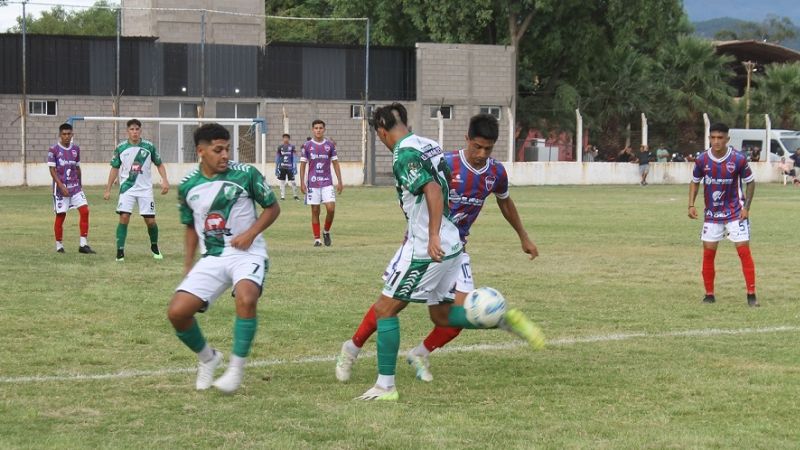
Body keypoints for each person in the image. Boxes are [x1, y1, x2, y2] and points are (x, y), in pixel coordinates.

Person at [343, 103, 544, 401]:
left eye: (488, 149)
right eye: (478, 146)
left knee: (387, 308)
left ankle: (384, 384)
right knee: (441, 315)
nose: (482, 153)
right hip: (450, 243)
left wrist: (432, 233)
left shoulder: (404, 155)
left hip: (430, 245)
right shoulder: (431, 146)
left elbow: (434, 191)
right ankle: (497, 319)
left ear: (381, 132)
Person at [166, 123, 280, 394]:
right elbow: (191, 226)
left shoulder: (246, 175)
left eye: (227, 149)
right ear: (201, 151)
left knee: (247, 297)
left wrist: (251, 234)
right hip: (213, 257)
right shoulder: (188, 186)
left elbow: (272, 208)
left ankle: (235, 370)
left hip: (247, 253)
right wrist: (187, 265)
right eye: (218, 150)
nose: (225, 155)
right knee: (177, 312)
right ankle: (208, 358)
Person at [688, 122, 758, 307]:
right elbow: (695, 181)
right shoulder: (702, 160)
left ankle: (751, 295)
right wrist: (691, 205)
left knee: (744, 252)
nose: (716, 141)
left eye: (720, 138)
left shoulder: (738, 159)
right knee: (708, 254)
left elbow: (750, 182)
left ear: (727, 139)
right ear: (709, 138)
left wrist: (747, 207)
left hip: (736, 213)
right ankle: (709, 295)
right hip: (712, 214)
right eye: (713, 138)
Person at [103, 119, 170, 262]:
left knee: (150, 221)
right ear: (127, 131)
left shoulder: (149, 146)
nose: (134, 132)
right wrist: (108, 189)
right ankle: (120, 251)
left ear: (140, 131)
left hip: (145, 190)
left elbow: (159, 164)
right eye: (132, 129)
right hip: (127, 188)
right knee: (124, 217)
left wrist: (165, 180)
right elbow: (114, 168)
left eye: (137, 129)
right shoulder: (121, 147)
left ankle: (154, 246)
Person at [47, 123, 95, 254]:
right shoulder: (54, 150)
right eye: (64, 134)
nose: (66, 136)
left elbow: (77, 168)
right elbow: (52, 170)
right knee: (61, 216)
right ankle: (59, 246)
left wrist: (80, 185)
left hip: (75, 187)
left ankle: (83, 245)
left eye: (69, 134)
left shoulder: (76, 149)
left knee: (85, 211)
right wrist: (61, 186)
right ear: (60, 135)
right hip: (60, 189)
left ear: (72, 134)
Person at [299, 120, 343, 247]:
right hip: (312, 183)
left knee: (331, 208)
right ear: (312, 130)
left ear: (324, 129)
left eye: (320, 128)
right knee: (315, 211)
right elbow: (302, 165)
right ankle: (317, 239)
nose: (318, 130)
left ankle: (326, 231)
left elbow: (335, 163)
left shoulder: (330, 145)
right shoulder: (307, 146)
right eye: (316, 128)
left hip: (327, 182)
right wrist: (302, 182)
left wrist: (340, 181)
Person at [275, 133, 299, 200]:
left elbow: (294, 157)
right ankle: (282, 197)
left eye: (287, 138)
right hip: (282, 167)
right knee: (282, 182)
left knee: (293, 182)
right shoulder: (280, 147)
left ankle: (295, 196)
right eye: (284, 138)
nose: (285, 139)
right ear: (283, 139)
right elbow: (278, 157)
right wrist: (276, 167)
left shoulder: (292, 147)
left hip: (290, 167)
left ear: (289, 139)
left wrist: (295, 166)